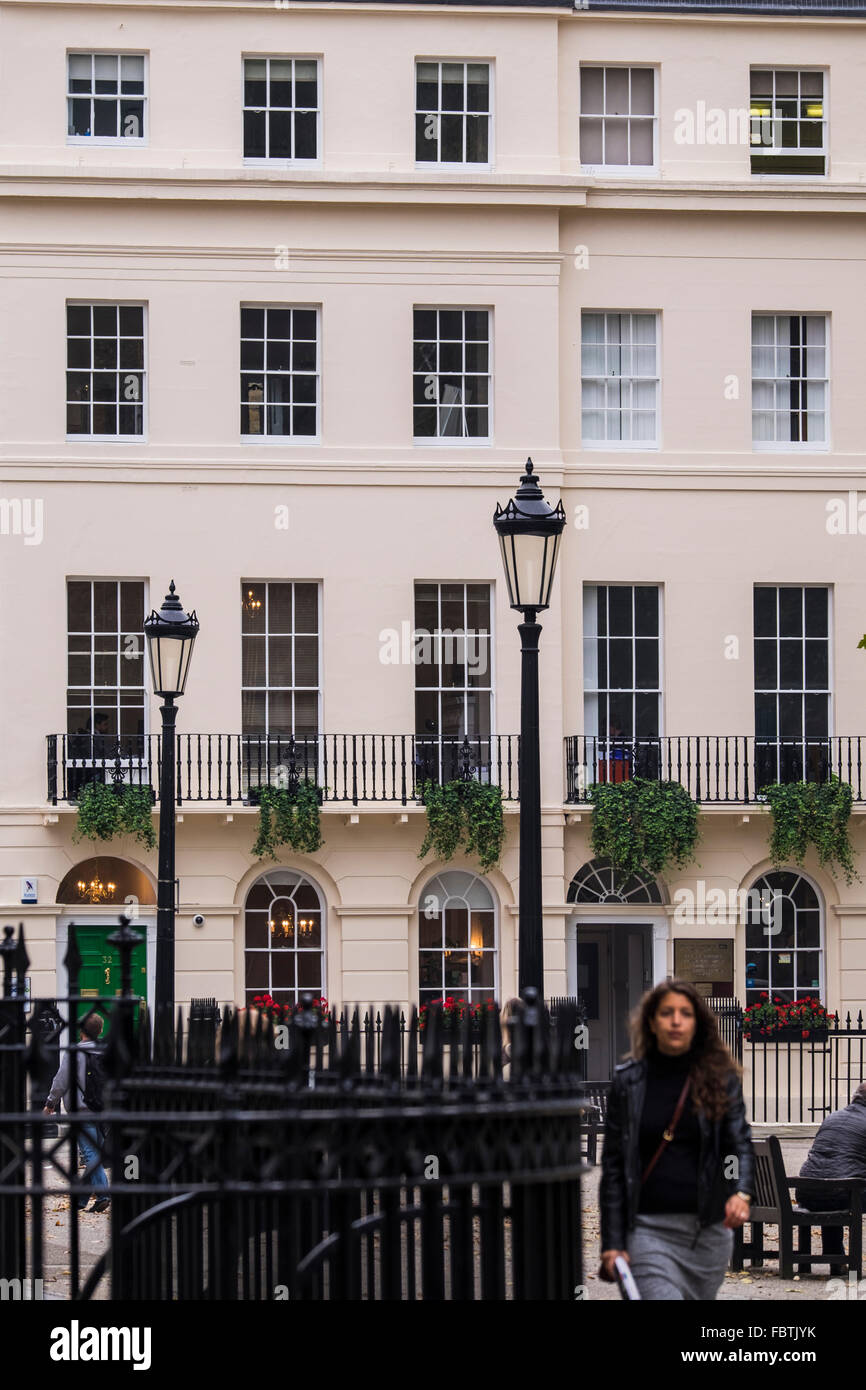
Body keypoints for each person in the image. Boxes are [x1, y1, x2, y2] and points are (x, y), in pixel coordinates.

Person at [599, 979, 754, 1300]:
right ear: (652, 1022)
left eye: (685, 1013)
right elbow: (614, 1168)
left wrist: (740, 1192)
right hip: (646, 1230)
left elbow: (737, 1143)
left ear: (697, 1024)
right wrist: (612, 1242)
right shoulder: (628, 1083)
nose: (676, 1021)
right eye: (666, 1012)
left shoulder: (720, 1080)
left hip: (707, 1235)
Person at [793, 1082, 866, 1274]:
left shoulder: (832, 1117)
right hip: (841, 1193)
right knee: (843, 1188)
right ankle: (837, 1260)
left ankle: (837, 1259)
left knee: (835, 1183)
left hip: (807, 1191)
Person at [43, 1012, 110, 1213]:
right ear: (100, 1030)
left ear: (81, 1031)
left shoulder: (74, 1052)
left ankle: (104, 1194)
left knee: (90, 1155)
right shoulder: (106, 1051)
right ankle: (81, 1200)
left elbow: (61, 1081)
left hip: (81, 1111)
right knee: (94, 1154)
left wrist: (50, 1103)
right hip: (103, 1111)